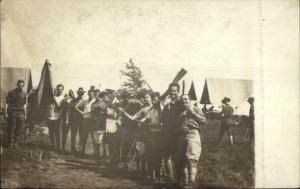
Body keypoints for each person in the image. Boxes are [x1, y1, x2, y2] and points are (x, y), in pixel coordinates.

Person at [177, 94, 206, 187]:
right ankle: (185, 182)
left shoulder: (196, 108)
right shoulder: (180, 111)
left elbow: (204, 121)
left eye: (186, 99)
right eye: (182, 100)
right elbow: (175, 126)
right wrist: (180, 129)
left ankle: (191, 181)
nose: (184, 101)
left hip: (193, 133)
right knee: (182, 159)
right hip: (181, 135)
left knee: (192, 158)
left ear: (189, 100)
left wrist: (193, 113)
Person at [160, 83, 183, 182]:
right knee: (167, 156)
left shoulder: (181, 104)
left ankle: (180, 178)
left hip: (178, 134)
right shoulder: (166, 105)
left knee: (177, 157)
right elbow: (162, 118)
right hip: (167, 134)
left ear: (178, 92)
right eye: (171, 91)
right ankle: (170, 177)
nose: (173, 92)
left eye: (175, 91)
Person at [5, 80, 27, 148]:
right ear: (17, 85)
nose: (21, 86)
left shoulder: (24, 93)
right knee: (11, 128)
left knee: (19, 128)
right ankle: (10, 143)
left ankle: (15, 143)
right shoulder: (11, 93)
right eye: (20, 85)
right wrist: (6, 113)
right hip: (12, 112)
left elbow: (24, 104)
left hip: (20, 113)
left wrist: (25, 114)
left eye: (22, 85)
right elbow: (6, 103)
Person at [75, 89, 95, 155]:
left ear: (93, 94)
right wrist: (82, 112)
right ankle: (82, 152)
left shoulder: (95, 101)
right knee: (84, 136)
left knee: (93, 136)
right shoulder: (85, 101)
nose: (90, 95)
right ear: (88, 94)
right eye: (89, 94)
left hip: (92, 121)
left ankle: (95, 153)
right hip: (85, 120)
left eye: (92, 94)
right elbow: (76, 106)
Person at [47, 84, 65, 151]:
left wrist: (55, 100)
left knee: (57, 132)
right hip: (51, 116)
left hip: (58, 117)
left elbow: (60, 106)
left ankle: (58, 148)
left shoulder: (63, 98)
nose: (59, 90)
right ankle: (53, 146)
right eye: (58, 89)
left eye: (60, 89)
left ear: (62, 90)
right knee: (51, 132)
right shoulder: (54, 97)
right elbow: (50, 106)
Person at [70, 87, 85, 153]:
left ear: (83, 94)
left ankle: (80, 149)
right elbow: (70, 110)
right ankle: (73, 149)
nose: (80, 94)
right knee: (73, 135)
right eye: (79, 93)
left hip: (81, 120)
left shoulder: (84, 101)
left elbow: (85, 111)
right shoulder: (73, 101)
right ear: (77, 93)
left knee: (81, 135)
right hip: (74, 120)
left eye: (82, 93)